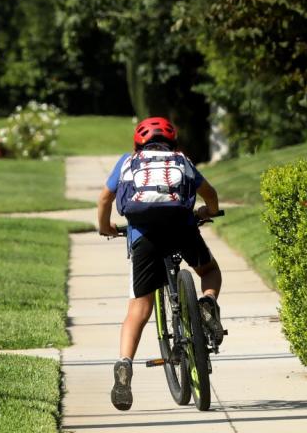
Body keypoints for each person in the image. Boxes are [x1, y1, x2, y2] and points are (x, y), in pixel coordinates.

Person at [96, 116, 224, 411]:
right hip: (182, 228)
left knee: (138, 308)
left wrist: (106, 227)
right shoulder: (182, 160)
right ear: (173, 142)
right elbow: (210, 195)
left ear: (137, 143)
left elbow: (105, 198)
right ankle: (206, 302)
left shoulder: (128, 161)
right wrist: (209, 211)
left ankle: (125, 364)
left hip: (144, 237)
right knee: (208, 270)